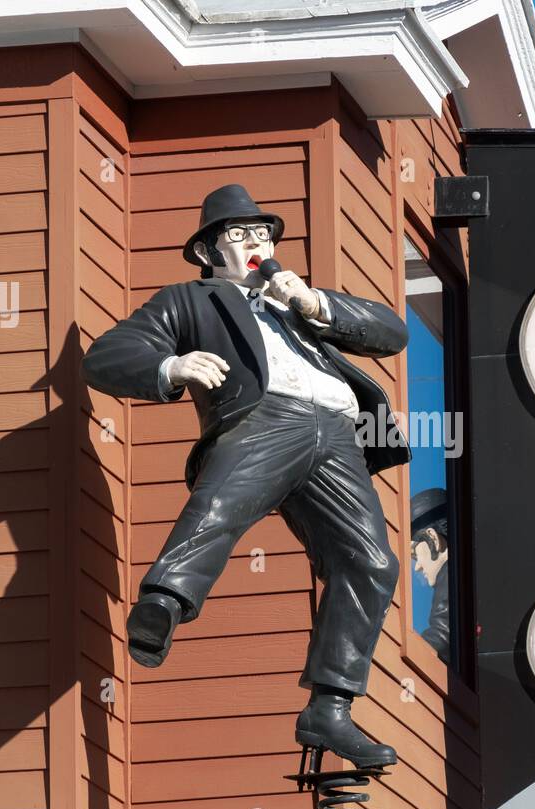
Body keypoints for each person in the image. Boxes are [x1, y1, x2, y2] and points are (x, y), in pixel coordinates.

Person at [81, 184, 411, 768]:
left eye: (262, 233)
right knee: (222, 504)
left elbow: (391, 331)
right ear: (209, 251)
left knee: (371, 560)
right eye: (239, 234)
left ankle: (329, 709)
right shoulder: (192, 300)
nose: (256, 241)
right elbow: (107, 356)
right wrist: (171, 365)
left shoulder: (300, 302)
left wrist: (313, 304)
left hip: (336, 431)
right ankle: (163, 601)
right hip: (264, 417)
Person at [409, 488, 451, 665]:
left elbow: (442, 635)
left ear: (433, 538)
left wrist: (409, 655)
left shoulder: (450, 576)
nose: (417, 567)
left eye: (415, 556)